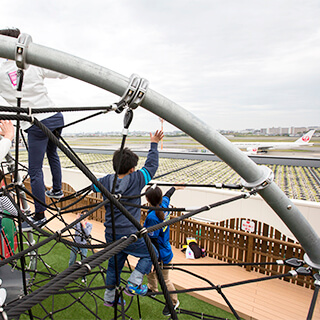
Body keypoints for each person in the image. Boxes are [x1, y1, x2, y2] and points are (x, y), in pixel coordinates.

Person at [0, 28, 67, 228]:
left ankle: (39, 216)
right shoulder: (33, 62)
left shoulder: (1, 73)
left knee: (35, 170)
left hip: (36, 124)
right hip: (56, 116)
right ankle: (56, 190)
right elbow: (62, 71)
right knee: (52, 153)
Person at [92, 130, 164, 307]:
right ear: (132, 169)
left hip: (111, 233)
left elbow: (94, 186)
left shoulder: (106, 181)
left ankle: (109, 297)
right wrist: (154, 143)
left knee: (114, 266)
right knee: (152, 254)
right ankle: (134, 283)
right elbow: (152, 166)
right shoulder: (137, 178)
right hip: (129, 233)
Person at [144, 185, 184, 316]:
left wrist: (153, 259)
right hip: (165, 248)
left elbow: (153, 240)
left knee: (165, 279)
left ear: (147, 199)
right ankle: (152, 289)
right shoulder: (164, 204)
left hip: (159, 251)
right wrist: (175, 187)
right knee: (150, 272)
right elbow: (168, 195)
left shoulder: (152, 217)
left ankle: (173, 302)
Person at [68, 210, 93, 282]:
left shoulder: (89, 224)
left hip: (83, 245)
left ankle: (83, 276)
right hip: (75, 244)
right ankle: (69, 274)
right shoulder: (78, 223)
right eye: (83, 215)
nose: (84, 216)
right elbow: (70, 227)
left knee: (83, 261)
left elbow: (87, 234)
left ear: (88, 216)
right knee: (72, 260)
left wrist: (83, 224)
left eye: (85, 215)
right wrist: (76, 220)